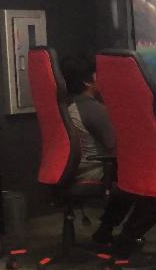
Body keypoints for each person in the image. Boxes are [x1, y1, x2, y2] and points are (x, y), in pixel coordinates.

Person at [58, 53, 136, 247]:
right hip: (92, 171)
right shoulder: (95, 110)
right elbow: (116, 146)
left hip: (71, 171)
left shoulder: (68, 106)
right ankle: (126, 238)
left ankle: (106, 231)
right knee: (141, 179)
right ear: (88, 81)